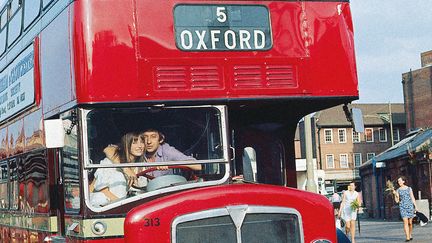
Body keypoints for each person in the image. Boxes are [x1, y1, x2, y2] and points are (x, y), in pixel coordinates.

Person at [89, 132, 145, 207]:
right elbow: (102, 190)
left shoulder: (141, 165)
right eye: (134, 143)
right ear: (126, 145)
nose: (140, 146)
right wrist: (123, 205)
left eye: (142, 142)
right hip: (103, 206)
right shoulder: (110, 162)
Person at [393, 176, 418, 242]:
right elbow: (397, 201)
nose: (399, 182)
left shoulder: (409, 189)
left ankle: (410, 234)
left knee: (410, 223)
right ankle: (407, 237)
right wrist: (395, 194)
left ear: (403, 181)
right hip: (402, 207)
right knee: (405, 222)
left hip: (410, 206)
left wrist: (416, 206)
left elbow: (412, 198)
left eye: (400, 181)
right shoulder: (398, 190)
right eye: (398, 181)